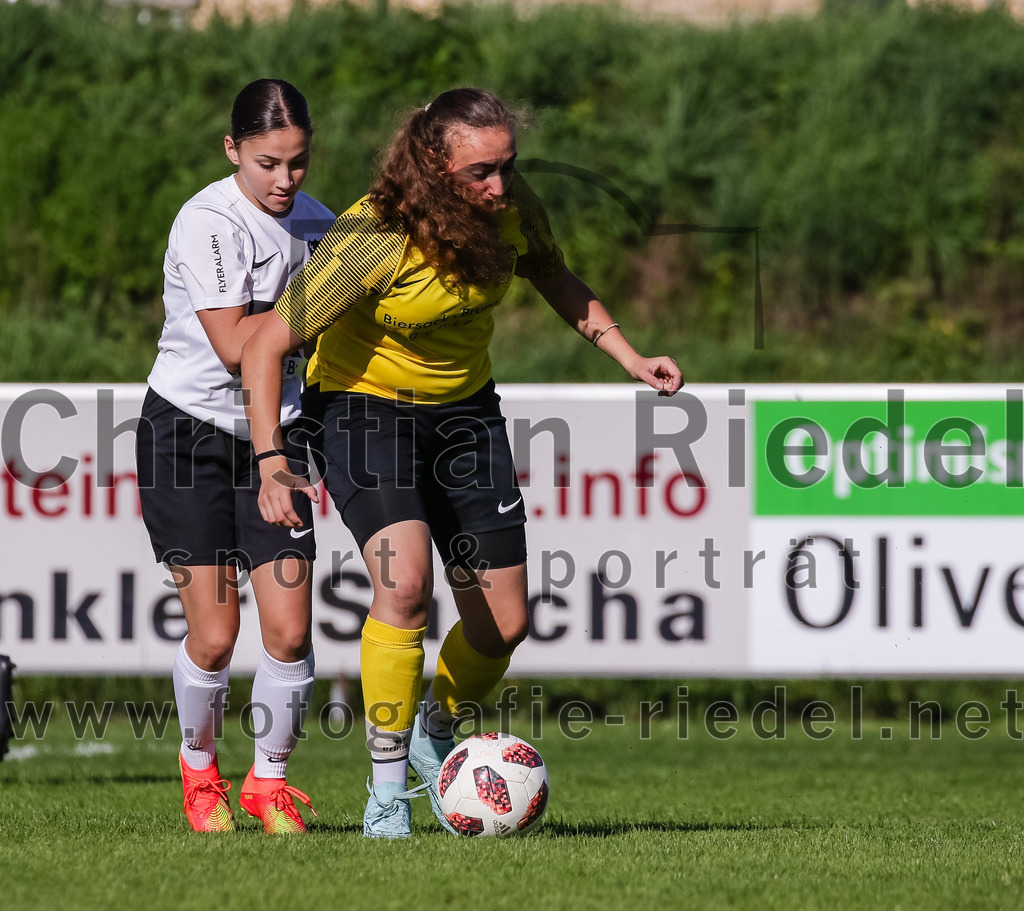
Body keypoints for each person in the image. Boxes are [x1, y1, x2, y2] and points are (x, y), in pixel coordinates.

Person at [241, 87, 683, 838]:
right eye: (481, 172)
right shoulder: (375, 234)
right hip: (363, 411)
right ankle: (385, 793)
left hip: (466, 417)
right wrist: (269, 459)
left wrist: (628, 354)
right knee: (405, 585)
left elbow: (554, 276)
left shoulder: (512, 210)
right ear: (433, 165)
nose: (499, 186)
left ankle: (433, 729)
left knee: (505, 622)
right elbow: (266, 342)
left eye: (506, 167)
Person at [135, 78, 334, 834]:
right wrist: (320, 312)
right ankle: (199, 771)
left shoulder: (322, 227)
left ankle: (269, 782)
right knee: (215, 634)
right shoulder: (209, 220)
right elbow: (233, 346)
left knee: (287, 629)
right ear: (233, 151)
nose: (284, 181)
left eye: (298, 163)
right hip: (187, 436)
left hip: (277, 439)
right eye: (267, 163)